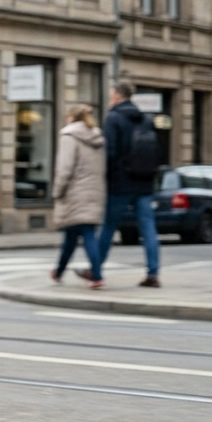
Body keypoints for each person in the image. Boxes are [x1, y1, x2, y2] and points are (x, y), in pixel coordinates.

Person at [89, 81, 161, 287]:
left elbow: (109, 153)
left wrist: (105, 178)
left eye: (112, 93)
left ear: (117, 96)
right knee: (148, 228)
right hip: (145, 182)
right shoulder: (146, 119)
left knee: (108, 227)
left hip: (120, 183)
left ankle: (96, 270)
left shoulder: (114, 118)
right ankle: (153, 273)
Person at [50, 104, 106, 289]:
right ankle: (58, 272)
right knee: (72, 236)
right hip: (94, 192)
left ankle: (97, 276)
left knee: (85, 233)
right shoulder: (97, 137)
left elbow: (64, 168)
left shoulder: (69, 137)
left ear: (72, 118)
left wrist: (57, 191)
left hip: (74, 193)